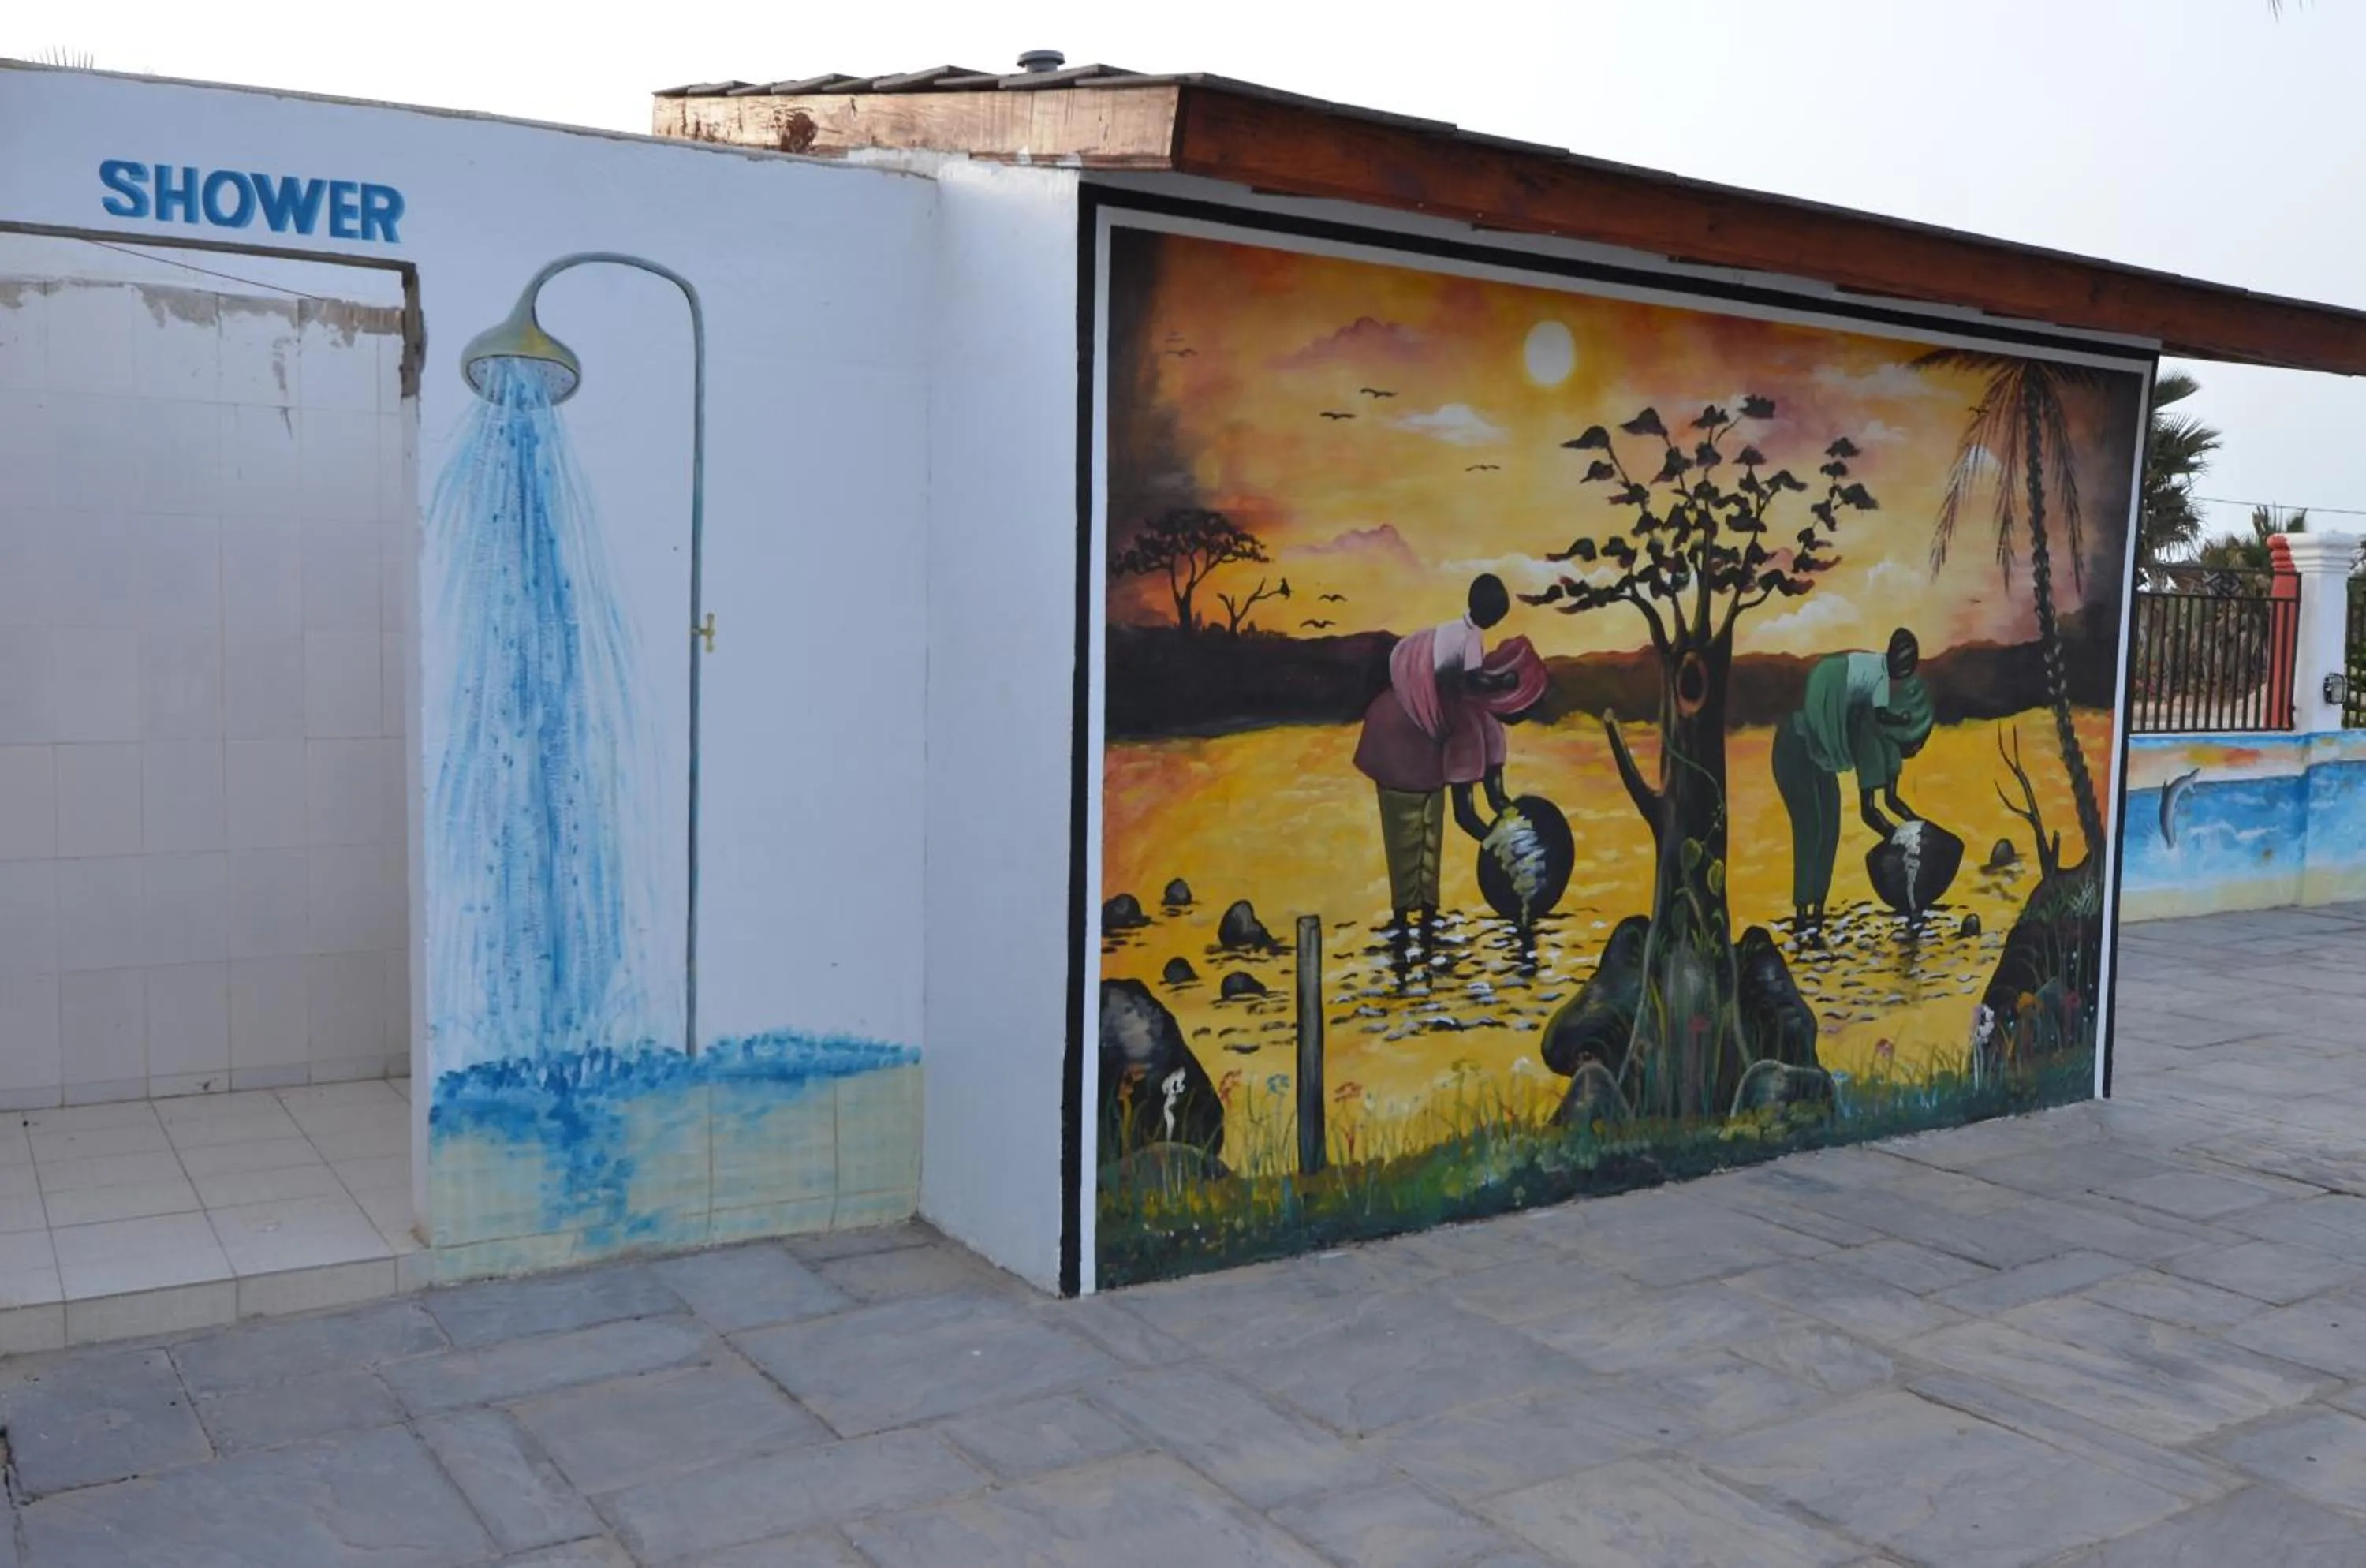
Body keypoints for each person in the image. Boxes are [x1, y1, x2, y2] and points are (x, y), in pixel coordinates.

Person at [1351, 574, 1548, 931]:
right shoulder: (1470, 716)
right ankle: (1404, 922)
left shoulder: (1486, 725)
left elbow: (1496, 796)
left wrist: (1521, 837)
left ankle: (1425, 919)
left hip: (1422, 749)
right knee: (1407, 833)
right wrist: (1504, 851)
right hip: (1401, 746)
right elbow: (1466, 812)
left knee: (1427, 835)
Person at [1771, 627, 1935, 942]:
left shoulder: (1881, 700)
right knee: (1811, 830)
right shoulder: (1870, 715)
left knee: (1830, 830)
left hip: (1818, 754)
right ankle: (1803, 915)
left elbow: (1889, 798)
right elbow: (1870, 808)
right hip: (1796, 747)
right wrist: (1899, 838)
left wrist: (1918, 829)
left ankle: (1814, 919)